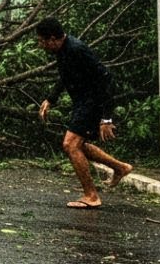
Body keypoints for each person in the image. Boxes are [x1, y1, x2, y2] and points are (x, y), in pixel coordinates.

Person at [35, 18, 134, 209]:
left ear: (53, 39)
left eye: (42, 41)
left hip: (93, 101)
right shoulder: (62, 51)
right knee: (80, 145)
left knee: (70, 145)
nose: (41, 45)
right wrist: (50, 99)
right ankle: (120, 167)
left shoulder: (76, 50)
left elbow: (106, 79)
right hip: (83, 102)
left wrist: (106, 117)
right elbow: (64, 77)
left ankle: (91, 196)